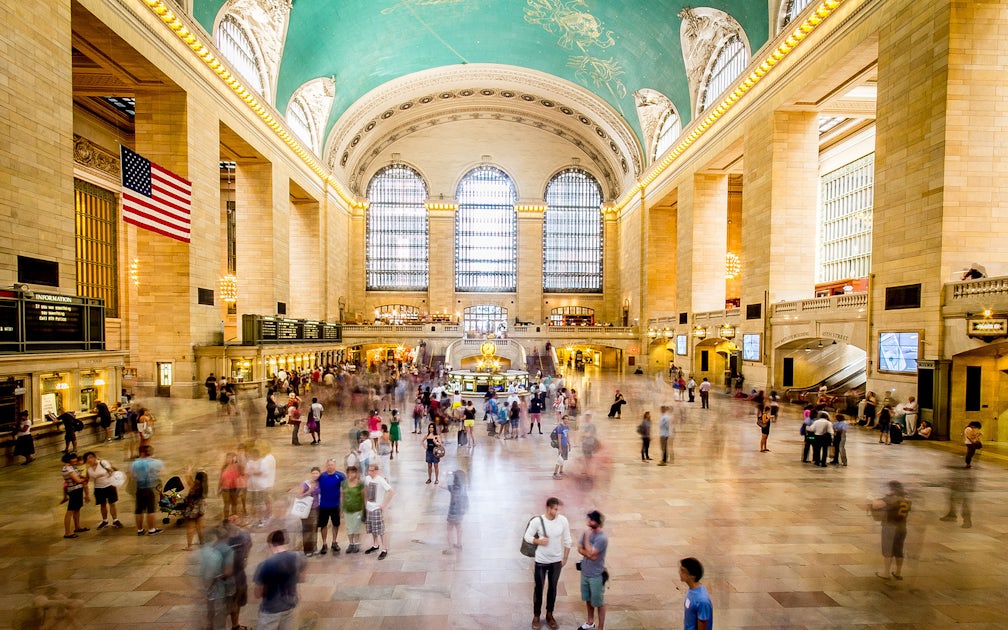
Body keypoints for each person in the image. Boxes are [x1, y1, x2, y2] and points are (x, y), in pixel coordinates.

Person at [524, 496, 572, 630]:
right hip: (541, 561)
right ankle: (536, 616)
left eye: (558, 509)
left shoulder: (563, 521)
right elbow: (527, 536)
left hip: (556, 561)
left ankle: (550, 614)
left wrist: (565, 558)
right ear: (548, 508)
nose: (557, 512)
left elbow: (568, 540)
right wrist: (538, 541)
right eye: (555, 509)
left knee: (553, 588)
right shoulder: (537, 521)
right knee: (538, 589)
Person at [253, 529, 307, 630]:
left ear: (270, 544)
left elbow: (257, 594)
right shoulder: (299, 557)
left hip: (271, 610)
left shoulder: (265, 565)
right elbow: (302, 578)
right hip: (290, 605)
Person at [870, 481, 911, 580]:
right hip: (902, 528)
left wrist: (873, 499)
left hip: (890, 527)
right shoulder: (906, 500)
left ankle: (886, 573)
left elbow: (876, 505)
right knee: (898, 550)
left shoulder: (890, 498)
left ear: (892, 489)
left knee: (888, 550)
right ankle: (898, 572)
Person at [576, 510, 608, 630]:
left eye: (591, 520)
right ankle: (590, 622)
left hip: (596, 575)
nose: (588, 522)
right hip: (585, 572)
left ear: (597, 522)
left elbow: (592, 554)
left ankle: (600, 627)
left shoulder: (602, 538)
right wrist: (588, 553)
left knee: (598, 602)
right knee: (588, 599)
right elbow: (579, 548)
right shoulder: (586, 533)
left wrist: (588, 539)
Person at [199, 525, 235, 630]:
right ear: (226, 537)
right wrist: (218, 577)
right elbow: (228, 572)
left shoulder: (210, 547)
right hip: (223, 587)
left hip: (211, 587)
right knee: (222, 610)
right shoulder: (228, 551)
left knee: (210, 605)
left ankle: (209, 625)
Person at [223, 514, 252, 630]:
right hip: (226, 575)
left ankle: (235, 625)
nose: (235, 520)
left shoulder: (244, 535)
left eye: (237, 518)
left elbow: (249, 544)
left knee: (238, 600)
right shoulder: (222, 538)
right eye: (231, 519)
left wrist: (245, 558)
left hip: (239, 574)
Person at [130, 444, 164, 536]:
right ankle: (151, 529)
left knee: (139, 510)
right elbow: (160, 472)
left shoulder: (135, 463)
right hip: (150, 488)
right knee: (151, 509)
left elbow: (132, 476)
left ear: (141, 452)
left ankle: (140, 530)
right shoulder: (156, 462)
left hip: (139, 488)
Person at [83, 451, 122, 529]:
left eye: (90, 458)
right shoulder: (89, 469)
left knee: (112, 503)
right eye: (87, 459)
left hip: (109, 485)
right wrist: (86, 495)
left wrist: (112, 472)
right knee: (102, 504)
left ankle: (115, 520)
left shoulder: (103, 463)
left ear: (94, 457)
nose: (89, 460)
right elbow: (86, 480)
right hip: (98, 488)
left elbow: (110, 469)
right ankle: (105, 521)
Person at [363, 463, 394, 560]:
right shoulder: (367, 478)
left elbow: (391, 491)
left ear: (376, 471)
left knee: (380, 529)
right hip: (369, 507)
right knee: (372, 528)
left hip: (377, 508)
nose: (370, 472)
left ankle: (384, 549)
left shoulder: (380, 480)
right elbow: (365, 489)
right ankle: (375, 545)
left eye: (372, 470)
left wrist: (384, 504)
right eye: (369, 470)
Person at [316, 458, 345, 555]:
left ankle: (334, 541)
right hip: (323, 505)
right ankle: (324, 543)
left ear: (335, 466)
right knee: (323, 525)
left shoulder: (340, 476)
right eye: (328, 465)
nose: (330, 466)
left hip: (335, 505)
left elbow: (344, 490)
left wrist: (342, 506)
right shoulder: (321, 476)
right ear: (326, 465)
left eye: (332, 465)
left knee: (335, 524)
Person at [61, 452, 89, 539]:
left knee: (77, 509)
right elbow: (77, 480)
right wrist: (85, 478)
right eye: (73, 458)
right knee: (70, 511)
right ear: (68, 459)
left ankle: (77, 527)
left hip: (77, 490)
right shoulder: (68, 469)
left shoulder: (71, 467)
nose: (75, 460)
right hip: (74, 491)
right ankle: (67, 532)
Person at [680, 557, 713, 630]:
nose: (680, 573)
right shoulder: (691, 590)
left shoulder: (702, 600)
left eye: (683, 571)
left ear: (692, 575)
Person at [295, 466, 321, 556]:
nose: (315, 475)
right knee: (306, 529)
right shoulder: (305, 484)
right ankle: (307, 549)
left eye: (316, 473)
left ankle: (314, 547)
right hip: (306, 509)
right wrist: (309, 491)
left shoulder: (319, 483)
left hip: (316, 508)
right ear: (311, 474)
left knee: (314, 528)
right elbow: (299, 495)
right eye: (313, 473)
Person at [340, 465, 365, 553]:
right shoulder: (344, 483)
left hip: (357, 509)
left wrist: (363, 510)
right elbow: (342, 496)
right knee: (349, 527)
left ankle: (357, 543)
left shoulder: (360, 484)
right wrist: (341, 509)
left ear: (356, 473)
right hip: (347, 509)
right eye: (349, 472)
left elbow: (363, 497)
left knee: (356, 527)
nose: (351, 474)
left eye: (353, 472)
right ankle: (351, 544)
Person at [442, 469, 468, 554]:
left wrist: (446, 476)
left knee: (449, 529)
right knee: (459, 526)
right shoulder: (463, 487)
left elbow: (441, 485)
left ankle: (450, 549)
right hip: (460, 511)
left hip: (453, 513)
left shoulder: (452, 488)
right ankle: (459, 544)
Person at [183, 468, 209, 550]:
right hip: (200, 508)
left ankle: (189, 546)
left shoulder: (194, 485)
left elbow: (187, 477)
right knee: (200, 527)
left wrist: (189, 470)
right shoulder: (205, 486)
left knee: (190, 527)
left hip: (192, 509)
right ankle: (202, 543)